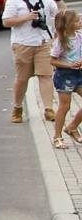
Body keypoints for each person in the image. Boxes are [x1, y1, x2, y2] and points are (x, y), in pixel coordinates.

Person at [5, 0, 60, 124]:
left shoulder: (47, 1)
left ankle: (48, 109)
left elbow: (59, 17)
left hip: (43, 43)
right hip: (23, 43)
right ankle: (17, 108)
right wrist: (26, 17)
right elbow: (6, 21)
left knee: (45, 76)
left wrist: (59, 0)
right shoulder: (15, 0)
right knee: (22, 79)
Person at [50, 9, 82, 149]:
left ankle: (72, 126)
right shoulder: (61, 41)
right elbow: (53, 61)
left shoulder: (79, 37)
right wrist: (69, 65)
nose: (80, 22)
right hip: (64, 75)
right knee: (65, 106)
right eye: (76, 21)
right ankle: (57, 136)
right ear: (68, 25)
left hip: (79, 73)